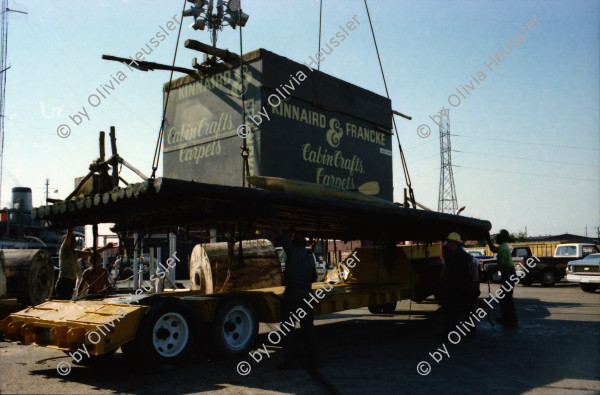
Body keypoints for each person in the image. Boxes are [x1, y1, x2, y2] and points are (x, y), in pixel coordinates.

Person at [268, 219, 318, 370]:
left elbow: (279, 234)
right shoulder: (310, 257)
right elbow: (314, 278)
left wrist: (270, 218)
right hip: (306, 299)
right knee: (308, 331)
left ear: (293, 242)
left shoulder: (292, 251)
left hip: (292, 298)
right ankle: (314, 361)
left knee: (288, 331)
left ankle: (290, 361)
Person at [55, 228, 113, 300]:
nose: (76, 242)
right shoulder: (65, 248)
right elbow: (70, 232)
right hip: (64, 282)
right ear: (69, 241)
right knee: (64, 304)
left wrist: (106, 247)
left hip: (70, 283)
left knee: (67, 303)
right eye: (74, 241)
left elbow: (92, 253)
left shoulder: (75, 253)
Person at [440, 232, 478, 336]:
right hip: (452, 285)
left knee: (468, 308)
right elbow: (445, 268)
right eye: (448, 242)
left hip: (464, 285)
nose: (448, 244)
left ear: (455, 243)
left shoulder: (465, 256)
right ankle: (450, 331)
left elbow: (473, 269)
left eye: (450, 242)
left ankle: (471, 329)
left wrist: (475, 283)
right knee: (450, 309)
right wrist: (442, 279)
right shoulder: (448, 255)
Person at [487, 229, 518, 328]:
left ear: (502, 238)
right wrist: (488, 239)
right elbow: (493, 249)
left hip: (508, 274)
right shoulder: (502, 247)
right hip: (508, 274)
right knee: (504, 297)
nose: (497, 238)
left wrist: (491, 270)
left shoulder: (503, 249)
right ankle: (506, 318)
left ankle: (511, 321)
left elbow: (503, 265)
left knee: (507, 298)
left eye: (498, 236)